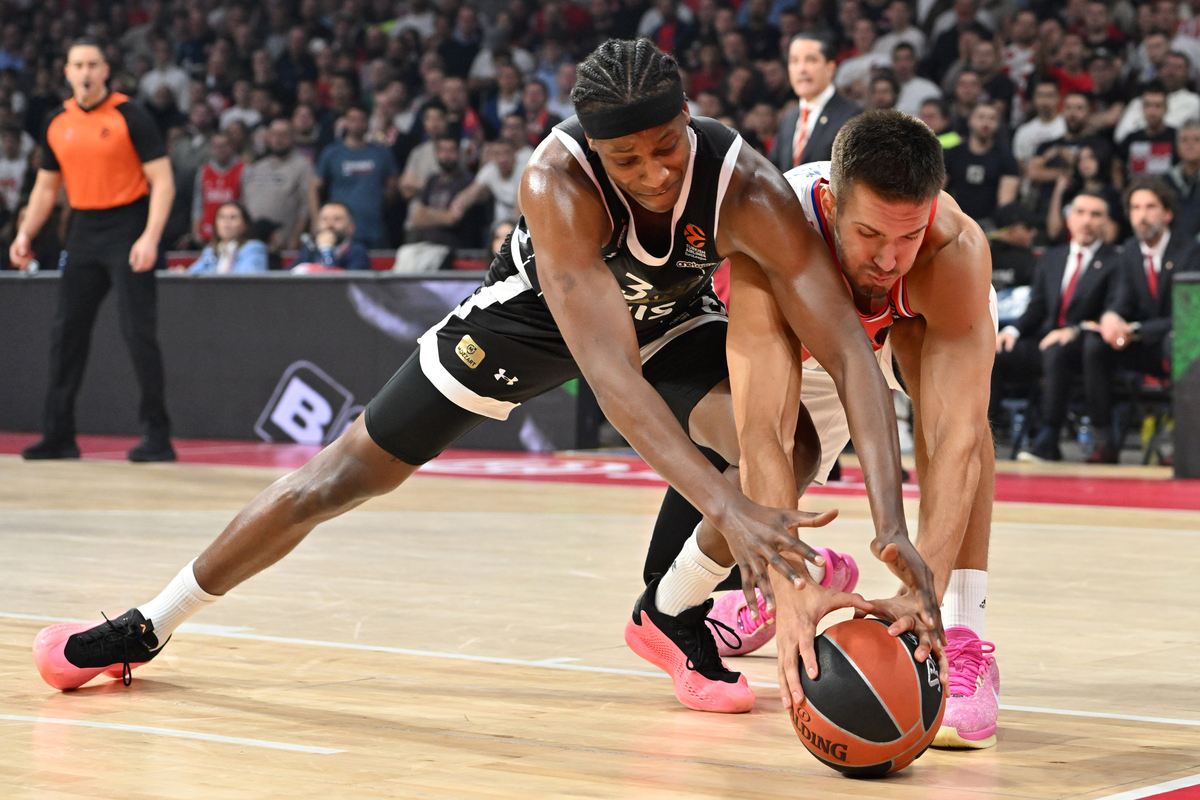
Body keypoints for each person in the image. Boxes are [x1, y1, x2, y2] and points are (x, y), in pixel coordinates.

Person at [31, 43, 938, 724]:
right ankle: (150, 623)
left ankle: (669, 611)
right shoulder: (558, 179)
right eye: (632, 161)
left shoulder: (745, 183)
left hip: (663, 320)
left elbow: (853, 355)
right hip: (528, 324)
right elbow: (608, 376)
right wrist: (726, 506)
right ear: (595, 148)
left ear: (689, 119)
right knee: (335, 480)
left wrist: (893, 522)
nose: (658, 173)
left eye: (668, 148)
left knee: (793, 441)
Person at [640, 110, 997, 747]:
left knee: (968, 425)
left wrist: (926, 589)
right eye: (869, 234)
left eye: (907, 235)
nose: (889, 258)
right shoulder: (771, 238)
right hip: (815, 332)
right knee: (791, 453)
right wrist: (792, 583)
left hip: (906, 332)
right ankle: (785, 589)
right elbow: (763, 435)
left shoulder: (954, 250)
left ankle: (961, 629)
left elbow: (955, 439)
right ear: (831, 204)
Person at [14, 39, 177, 463]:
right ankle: (58, 436)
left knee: (138, 333)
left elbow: (162, 180)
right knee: (66, 333)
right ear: (66, 72)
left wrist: (150, 236)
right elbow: (46, 187)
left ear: (107, 71)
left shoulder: (130, 115)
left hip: (128, 225)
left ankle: (157, 437)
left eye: (92, 64)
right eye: (77, 65)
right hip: (83, 229)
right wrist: (24, 234)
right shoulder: (55, 122)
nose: (85, 72)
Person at [994, 192, 1120, 462]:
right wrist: (1011, 331)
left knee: (1056, 351)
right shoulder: (1052, 257)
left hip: (1086, 345)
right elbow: (1036, 308)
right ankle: (982, 437)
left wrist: (1074, 329)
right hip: (1046, 339)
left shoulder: (1115, 261)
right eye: (1081, 213)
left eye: (1096, 214)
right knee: (994, 352)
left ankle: (1048, 440)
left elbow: (1114, 310)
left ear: (1105, 222)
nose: (1087, 221)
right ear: (1069, 219)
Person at [1084, 178, 1200, 463]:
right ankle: (1104, 441)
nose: (1142, 215)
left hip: (1182, 340)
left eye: (1150, 207)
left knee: (1178, 342)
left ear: (1167, 213)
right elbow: (1122, 300)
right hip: (1147, 344)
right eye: (1135, 208)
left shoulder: (1190, 252)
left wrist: (1135, 329)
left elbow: (1186, 318)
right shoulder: (1130, 252)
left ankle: (1182, 442)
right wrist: (1111, 317)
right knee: (1094, 345)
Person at [769, 33, 862, 171]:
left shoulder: (852, 116)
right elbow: (774, 171)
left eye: (811, 60)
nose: (802, 69)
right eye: (794, 61)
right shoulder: (789, 118)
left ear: (830, 68)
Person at [311, 106, 399, 249]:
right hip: (339, 231)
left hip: (374, 229)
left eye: (362, 120)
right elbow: (313, 187)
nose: (357, 124)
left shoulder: (382, 153)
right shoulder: (332, 153)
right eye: (352, 119)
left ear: (368, 122)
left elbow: (392, 186)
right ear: (345, 122)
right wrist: (317, 220)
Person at [241, 119, 314, 250]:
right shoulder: (257, 167)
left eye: (283, 134)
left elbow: (306, 207)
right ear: (268, 137)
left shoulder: (302, 166)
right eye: (274, 134)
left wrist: (295, 238)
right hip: (252, 241)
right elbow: (244, 202)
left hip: (284, 243)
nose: (278, 139)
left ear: (292, 137)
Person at [943, 103, 1018, 226]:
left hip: (990, 223)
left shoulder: (1006, 158)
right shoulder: (954, 153)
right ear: (970, 121)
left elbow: (1005, 203)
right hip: (956, 219)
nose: (986, 123)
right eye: (981, 117)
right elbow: (938, 191)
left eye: (992, 118)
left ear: (998, 124)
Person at [1115, 82, 1178, 184]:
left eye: (1157, 106)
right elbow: (1117, 164)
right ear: (1142, 108)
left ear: (1166, 108)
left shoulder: (1176, 137)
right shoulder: (1131, 138)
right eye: (1147, 105)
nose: (1152, 111)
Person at [186, 201, 268, 273]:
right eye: (222, 217)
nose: (226, 223)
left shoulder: (253, 248)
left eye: (233, 218)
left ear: (245, 224)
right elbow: (193, 275)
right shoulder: (211, 250)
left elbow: (245, 281)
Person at [191, 132, 243, 244]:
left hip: (233, 234)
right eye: (217, 146)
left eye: (224, 145)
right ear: (211, 148)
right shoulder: (204, 171)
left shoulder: (243, 170)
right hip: (208, 234)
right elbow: (198, 203)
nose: (221, 150)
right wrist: (196, 230)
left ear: (231, 147)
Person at [293, 202, 371, 271]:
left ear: (351, 227)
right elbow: (288, 276)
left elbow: (333, 282)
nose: (330, 224)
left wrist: (326, 249)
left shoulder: (357, 252)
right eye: (325, 219)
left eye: (337, 219)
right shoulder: (310, 250)